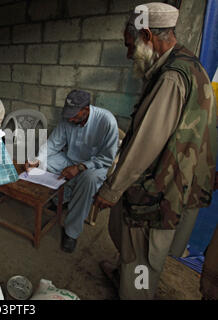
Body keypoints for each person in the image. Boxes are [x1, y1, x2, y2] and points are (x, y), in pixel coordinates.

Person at [94, 3, 217, 300]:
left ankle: (134, 291)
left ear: (148, 35)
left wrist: (110, 190)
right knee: (130, 242)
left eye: (130, 45)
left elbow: (143, 147)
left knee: (141, 263)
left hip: (157, 193)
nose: (128, 55)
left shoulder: (171, 78)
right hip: (182, 184)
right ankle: (125, 274)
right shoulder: (191, 65)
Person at [25, 90, 119, 253]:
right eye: (68, 115)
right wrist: (37, 159)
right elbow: (53, 144)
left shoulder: (106, 121)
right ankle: (60, 200)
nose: (70, 119)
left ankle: (71, 232)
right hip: (69, 160)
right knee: (44, 164)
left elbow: (107, 158)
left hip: (94, 166)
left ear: (87, 109)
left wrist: (81, 167)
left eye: (75, 116)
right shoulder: (68, 119)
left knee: (88, 180)